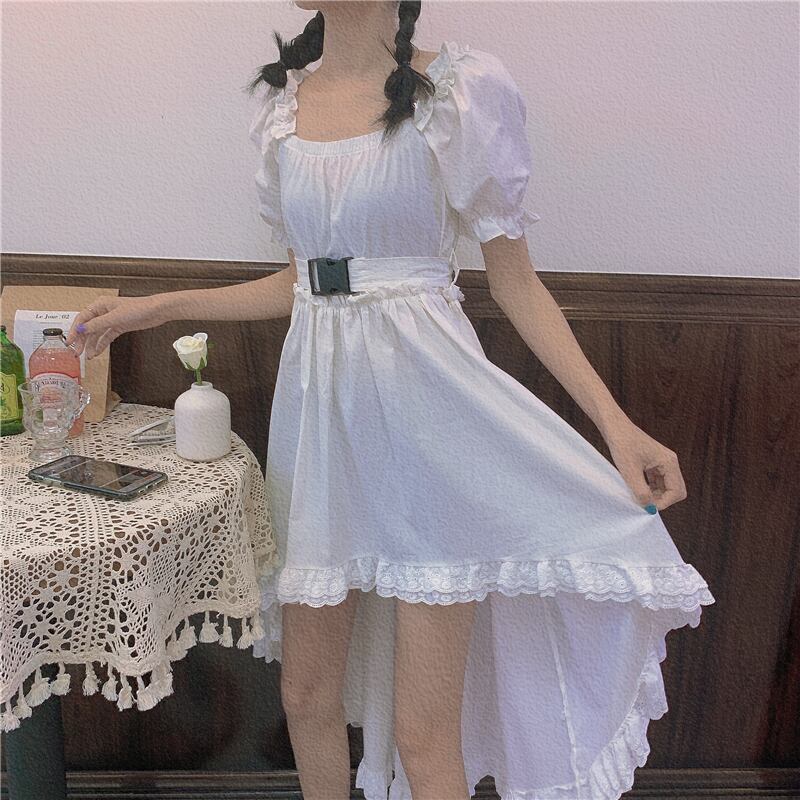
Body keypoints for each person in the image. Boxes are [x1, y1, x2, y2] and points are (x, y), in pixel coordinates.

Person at [65, 3, 716, 799]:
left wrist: (616, 425)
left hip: (434, 425)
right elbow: (306, 280)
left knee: (423, 733)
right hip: (320, 427)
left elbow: (515, 281)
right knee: (305, 696)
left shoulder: (460, 91)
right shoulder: (283, 107)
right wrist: (157, 308)